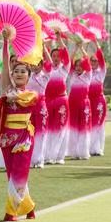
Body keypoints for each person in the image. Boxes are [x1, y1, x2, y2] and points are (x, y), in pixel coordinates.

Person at [0, 28, 39, 221]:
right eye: (16, 71)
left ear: (29, 76)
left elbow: (30, 102)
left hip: (24, 138)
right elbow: (6, 64)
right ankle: (29, 207)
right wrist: (6, 41)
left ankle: (11, 211)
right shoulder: (7, 88)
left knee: (19, 173)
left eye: (23, 71)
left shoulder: (32, 94)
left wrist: (14, 97)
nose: (19, 73)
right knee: (12, 175)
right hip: (7, 137)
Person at [44, 33, 70, 164]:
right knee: (48, 128)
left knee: (60, 128)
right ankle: (48, 155)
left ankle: (59, 156)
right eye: (53, 56)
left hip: (61, 101)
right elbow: (44, 56)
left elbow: (65, 51)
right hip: (48, 101)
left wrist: (59, 38)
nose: (55, 58)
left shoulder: (65, 68)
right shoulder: (47, 69)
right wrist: (44, 44)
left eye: (58, 56)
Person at [66, 41, 92, 160]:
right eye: (76, 66)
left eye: (80, 65)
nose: (78, 67)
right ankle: (74, 152)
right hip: (72, 104)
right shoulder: (72, 75)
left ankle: (83, 152)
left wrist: (81, 48)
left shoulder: (88, 75)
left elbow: (87, 59)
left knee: (84, 127)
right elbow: (69, 60)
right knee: (73, 127)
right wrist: (75, 49)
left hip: (84, 104)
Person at [28, 47, 52, 168]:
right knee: (30, 133)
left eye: (37, 64)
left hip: (41, 107)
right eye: (33, 64)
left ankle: (39, 159)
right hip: (29, 107)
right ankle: (30, 159)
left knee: (41, 133)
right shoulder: (28, 76)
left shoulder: (45, 76)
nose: (34, 66)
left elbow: (50, 63)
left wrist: (43, 48)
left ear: (42, 65)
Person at [88, 43, 107, 156]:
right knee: (90, 124)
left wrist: (96, 43)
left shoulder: (102, 72)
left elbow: (102, 58)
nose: (94, 62)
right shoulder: (87, 73)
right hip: (89, 101)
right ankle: (90, 148)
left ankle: (98, 148)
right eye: (92, 60)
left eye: (96, 61)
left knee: (99, 125)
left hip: (99, 101)